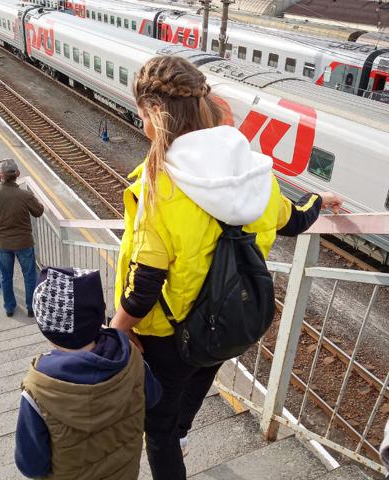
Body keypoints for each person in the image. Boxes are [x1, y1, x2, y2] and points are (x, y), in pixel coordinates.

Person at [110, 56, 343, 480]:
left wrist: (118, 329)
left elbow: (144, 285)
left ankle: (174, 438)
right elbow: (294, 219)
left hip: (170, 335)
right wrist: (319, 201)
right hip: (232, 321)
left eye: (142, 116)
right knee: (200, 374)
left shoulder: (158, 187)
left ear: (156, 114)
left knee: (157, 429)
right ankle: (183, 430)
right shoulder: (255, 174)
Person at [15, 267, 161, 479]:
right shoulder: (131, 357)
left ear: (46, 328)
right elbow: (153, 396)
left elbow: (31, 466)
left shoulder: (37, 390)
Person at [0, 158, 44, 316]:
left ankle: (9, 308)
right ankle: (31, 308)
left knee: (5, 276)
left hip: (2, 242)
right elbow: (38, 211)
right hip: (24, 242)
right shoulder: (25, 195)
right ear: (18, 174)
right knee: (29, 276)